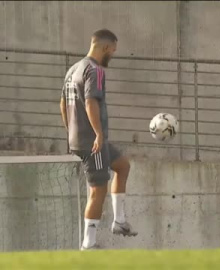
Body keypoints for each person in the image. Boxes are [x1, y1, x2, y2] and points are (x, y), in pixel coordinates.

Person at [60, 29, 137, 250]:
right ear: (105, 47)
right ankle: (89, 244)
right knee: (97, 190)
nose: (112, 55)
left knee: (122, 165)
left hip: (81, 138)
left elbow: (63, 104)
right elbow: (91, 102)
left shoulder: (73, 69)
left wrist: (70, 132)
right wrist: (98, 134)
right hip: (93, 140)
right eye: (112, 51)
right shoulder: (95, 70)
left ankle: (119, 221)